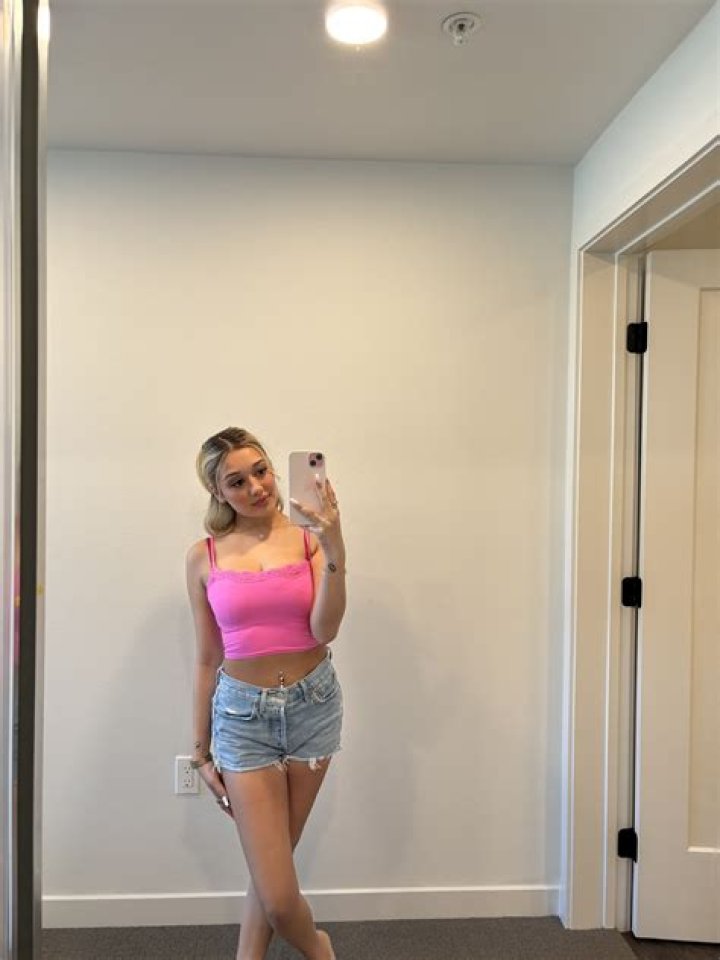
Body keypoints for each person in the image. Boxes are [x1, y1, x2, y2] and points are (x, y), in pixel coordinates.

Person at [186, 427, 346, 960]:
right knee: (277, 892)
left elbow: (325, 630)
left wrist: (334, 547)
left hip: (312, 707)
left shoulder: (307, 539)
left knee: (272, 872)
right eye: (236, 481)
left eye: (260, 471)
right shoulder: (203, 557)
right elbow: (207, 657)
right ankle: (320, 950)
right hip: (241, 717)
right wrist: (200, 751)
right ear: (217, 492)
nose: (255, 487)